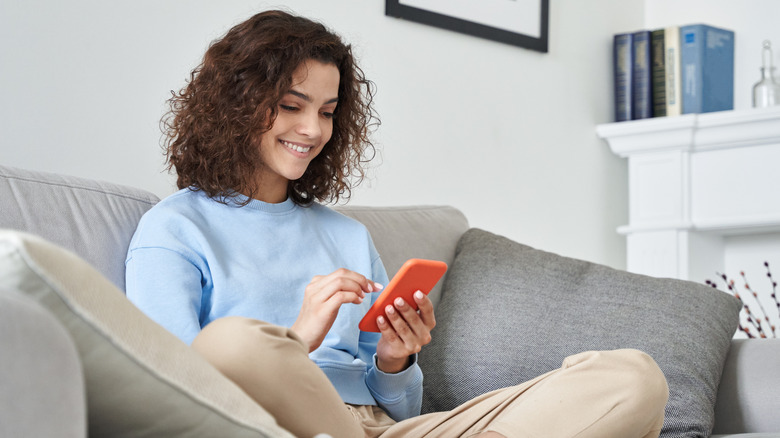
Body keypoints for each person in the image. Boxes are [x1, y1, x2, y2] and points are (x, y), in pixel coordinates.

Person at [125, 9, 669, 438]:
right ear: (237, 103)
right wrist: (296, 340)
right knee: (230, 343)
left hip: (387, 430)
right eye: (292, 106)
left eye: (328, 111)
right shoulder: (175, 228)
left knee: (632, 378)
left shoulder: (346, 235)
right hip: (278, 422)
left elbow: (402, 410)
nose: (313, 129)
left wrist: (393, 360)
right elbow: (174, 389)